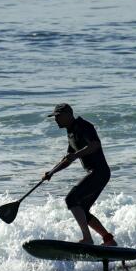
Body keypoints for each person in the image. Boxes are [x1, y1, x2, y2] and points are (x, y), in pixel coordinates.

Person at [43, 103, 117, 246]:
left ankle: (88, 239)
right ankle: (109, 240)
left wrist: (77, 155)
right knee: (82, 209)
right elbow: (68, 158)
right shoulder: (70, 132)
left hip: (99, 172)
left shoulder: (83, 126)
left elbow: (95, 144)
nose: (56, 120)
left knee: (71, 199)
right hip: (96, 173)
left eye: (58, 116)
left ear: (68, 114)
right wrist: (52, 172)